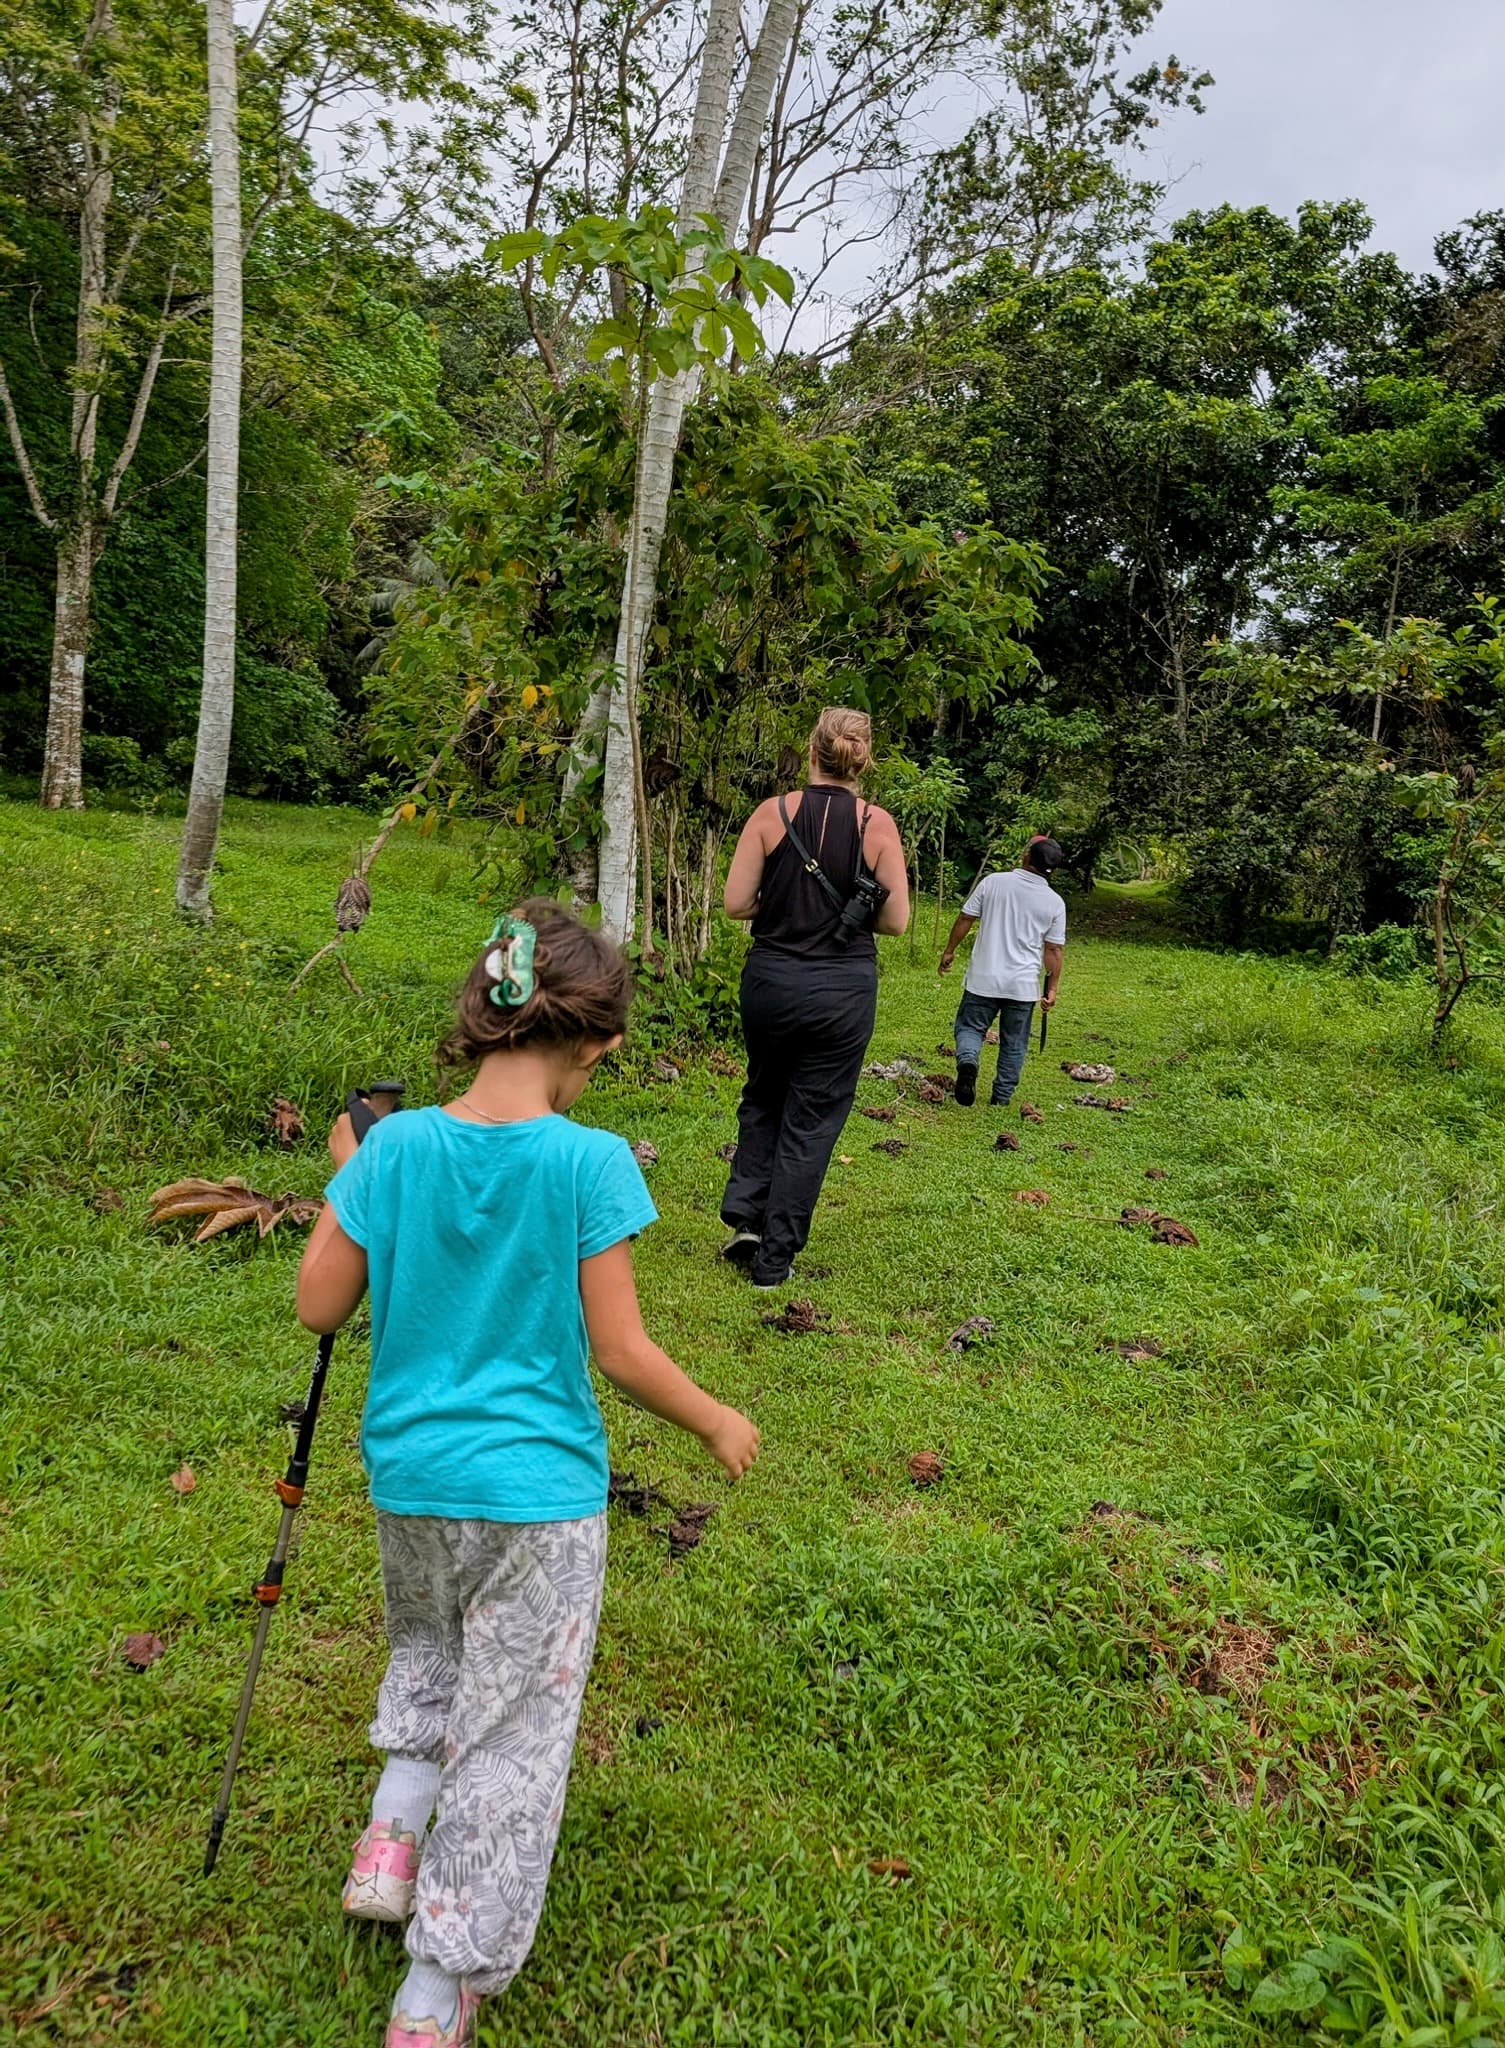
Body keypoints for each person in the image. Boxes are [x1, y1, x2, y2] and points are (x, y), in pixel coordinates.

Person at [295, 902, 760, 2048]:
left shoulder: (392, 1148)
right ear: (594, 1043)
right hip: (540, 1500)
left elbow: (317, 1304)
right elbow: (621, 1350)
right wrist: (713, 1419)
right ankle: (434, 1989)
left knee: (430, 1647)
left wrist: (349, 1177)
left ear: (481, 1015)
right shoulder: (590, 1159)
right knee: (513, 1733)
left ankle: (391, 1841)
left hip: (410, 1478)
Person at [718, 707, 909, 1289]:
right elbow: (897, 921)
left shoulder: (769, 815)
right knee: (813, 1118)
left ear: (811, 753)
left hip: (771, 982)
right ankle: (775, 1260)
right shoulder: (877, 826)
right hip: (841, 993)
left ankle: (747, 1218)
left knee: (764, 1095)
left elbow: (735, 902)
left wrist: (780, 908)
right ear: (863, 760)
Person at [938, 834, 1067, 1108]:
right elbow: (1054, 950)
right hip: (1022, 986)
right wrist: (1052, 988)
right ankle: (1001, 1098)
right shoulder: (1055, 902)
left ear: (1027, 857)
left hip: (983, 978)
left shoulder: (994, 882)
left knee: (970, 1027)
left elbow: (965, 917)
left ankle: (969, 1061)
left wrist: (950, 951)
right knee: (1015, 1042)